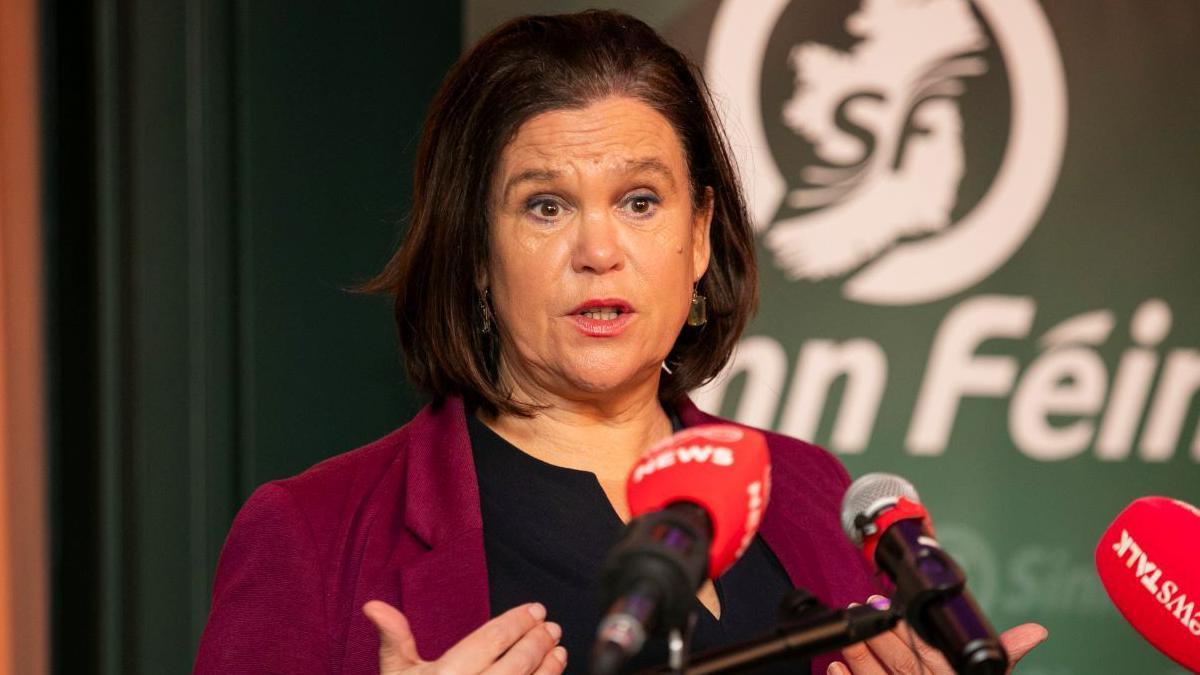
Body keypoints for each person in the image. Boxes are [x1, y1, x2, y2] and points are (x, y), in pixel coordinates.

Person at [194, 10, 1046, 675]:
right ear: (477, 256)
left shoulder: (808, 492)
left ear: (701, 233)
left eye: (640, 201)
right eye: (546, 205)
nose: (599, 251)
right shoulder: (312, 534)